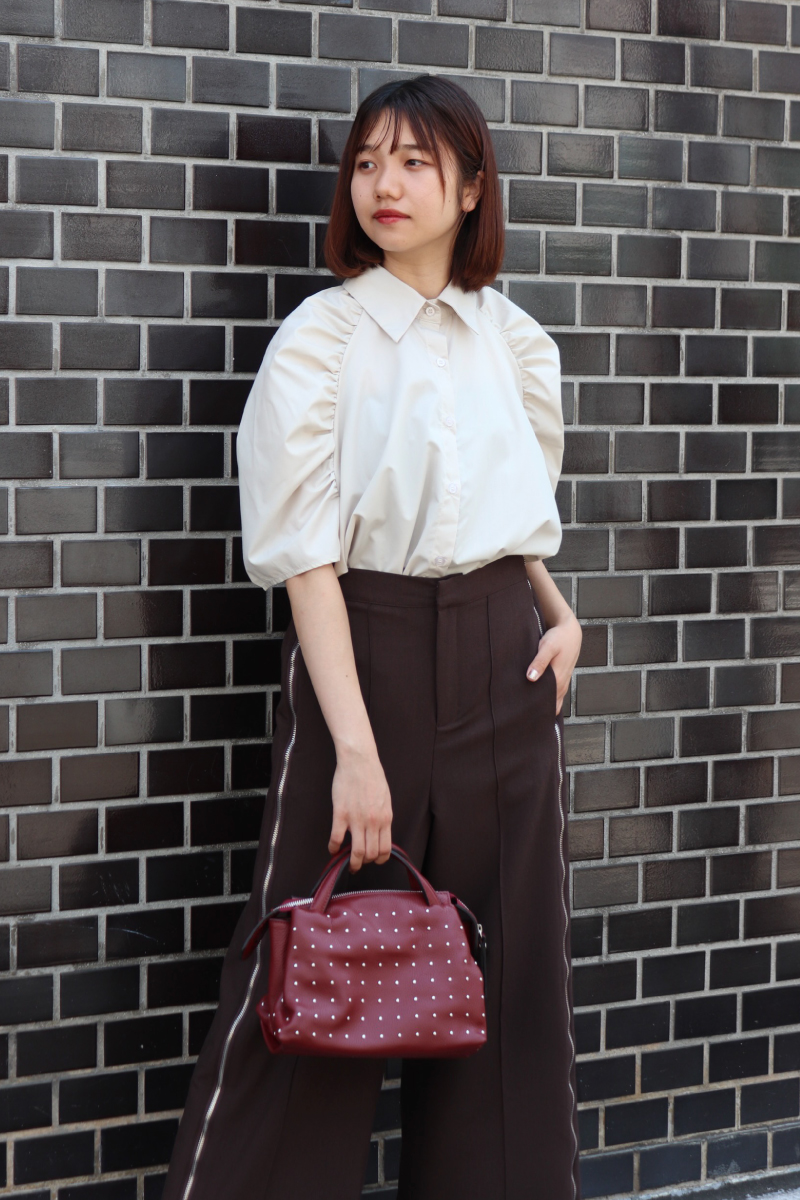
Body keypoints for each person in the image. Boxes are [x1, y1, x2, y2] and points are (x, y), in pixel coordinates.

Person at [162, 73, 583, 1200]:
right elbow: (305, 556)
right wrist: (353, 748)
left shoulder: (516, 342)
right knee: (312, 967)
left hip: (507, 661)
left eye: (413, 162)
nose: (383, 184)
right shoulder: (323, 338)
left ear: (472, 187)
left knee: (514, 993)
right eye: (366, 162)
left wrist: (556, 609)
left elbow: (513, 507)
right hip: (366, 649)